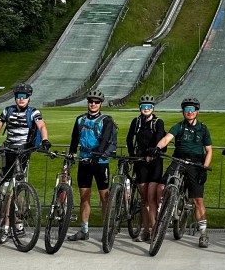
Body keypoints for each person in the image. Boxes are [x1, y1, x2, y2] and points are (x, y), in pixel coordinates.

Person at [0, 83, 51, 244]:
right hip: (9, 150)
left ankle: (7, 227)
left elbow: (42, 125)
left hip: (23, 152)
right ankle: (17, 222)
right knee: (7, 190)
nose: (21, 99)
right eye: (19, 97)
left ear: (29, 98)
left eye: (24, 97)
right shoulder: (7, 110)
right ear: (15, 98)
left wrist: (45, 140)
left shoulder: (34, 112)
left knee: (13, 190)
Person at [154, 97, 213, 247]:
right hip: (178, 161)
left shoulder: (203, 129)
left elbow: (209, 150)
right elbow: (167, 138)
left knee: (197, 200)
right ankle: (162, 212)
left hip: (196, 164)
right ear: (183, 112)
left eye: (192, 110)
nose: (189, 112)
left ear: (197, 112)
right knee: (161, 186)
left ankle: (204, 234)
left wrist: (204, 168)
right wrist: (158, 147)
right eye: (186, 110)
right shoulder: (179, 126)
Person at [67, 90, 118, 243]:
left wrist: (98, 154)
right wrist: (71, 154)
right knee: (84, 197)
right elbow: (74, 139)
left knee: (104, 198)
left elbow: (105, 140)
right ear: (87, 103)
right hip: (84, 161)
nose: (93, 104)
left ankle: (107, 230)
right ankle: (84, 230)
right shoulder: (80, 119)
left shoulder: (107, 120)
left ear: (100, 104)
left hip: (100, 162)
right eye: (91, 101)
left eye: (96, 102)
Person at [126, 94, 167, 242]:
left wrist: (152, 153)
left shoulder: (158, 122)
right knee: (143, 199)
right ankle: (146, 230)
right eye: (143, 107)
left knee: (151, 198)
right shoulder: (136, 121)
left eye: (149, 107)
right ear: (140, 108)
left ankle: (154, 229)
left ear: (153, 108)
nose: (146, 109)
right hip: (141, 162)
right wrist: (132, 155)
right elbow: (129, 138)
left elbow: (159, 139)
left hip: (154, 162)